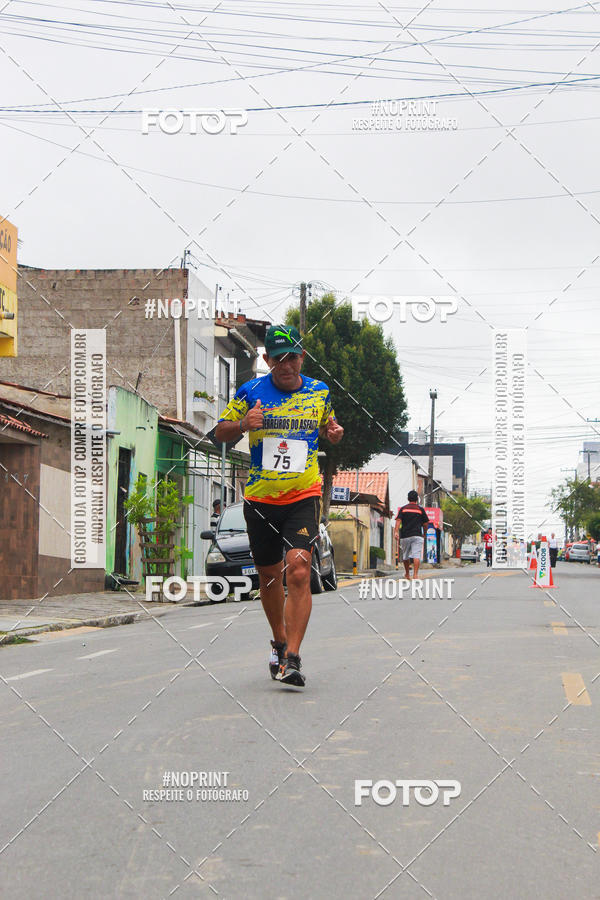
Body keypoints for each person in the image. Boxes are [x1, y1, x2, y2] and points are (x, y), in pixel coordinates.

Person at [214, 324, 343, 687]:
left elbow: (326, 425)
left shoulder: (319, 391)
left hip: (303, 495)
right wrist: (243, 423)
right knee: (270, 576)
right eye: (278, 359)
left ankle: (293, 658)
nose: (286, 365)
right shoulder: (251, 391)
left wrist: (333, 432)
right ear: (266, 359)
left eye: (292, 358)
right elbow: (219, 431)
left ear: (302, 357)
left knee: (299, 569)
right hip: (260, 500)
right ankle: (279, 641)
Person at [396, 491, 430, 581]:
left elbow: (398, 520)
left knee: (405, 555)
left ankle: (407, 574)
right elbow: (426, 523)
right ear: (417, 499)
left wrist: (396, 532)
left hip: (405, 535)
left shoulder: (403, 509)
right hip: (417, 535)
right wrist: (424, 533)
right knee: (416, 555)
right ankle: (415, 575)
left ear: (408, 498)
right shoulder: (420, 509)